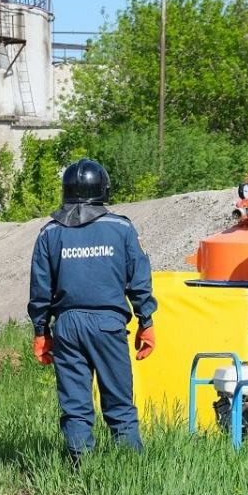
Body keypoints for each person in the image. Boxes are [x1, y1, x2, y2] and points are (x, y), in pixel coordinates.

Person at [27, 158, 158, 464]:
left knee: (75, 405)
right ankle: (128, 472)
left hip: (67, 327)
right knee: (119, 402)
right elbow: (139, 279)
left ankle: (81, 469)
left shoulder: (49, 233)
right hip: (109, 325)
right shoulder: (122, 228)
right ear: (103, 189)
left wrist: (40, 331)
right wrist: (146, 321)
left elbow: (40, 289)